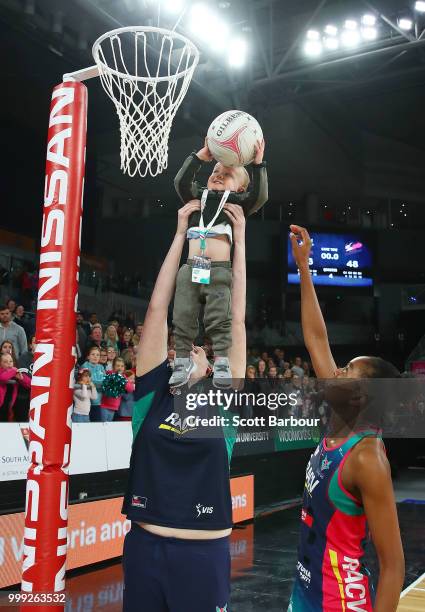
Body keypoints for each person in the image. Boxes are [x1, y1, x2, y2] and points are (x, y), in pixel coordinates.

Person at [122, 202, 247, 612]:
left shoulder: (222, 402)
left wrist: (240, 242)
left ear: (212, 366)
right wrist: (179, 235)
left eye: (202, 351)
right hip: (144, 550)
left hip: (202, 557)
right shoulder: (153, 395)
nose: (192, 350)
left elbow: (236, 320)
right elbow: (157, 311)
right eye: (185, 348)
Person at [287, 225, 405, 612]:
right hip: (306, 594)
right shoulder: (342, 417)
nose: (335, 372)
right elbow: (316, 340)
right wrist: (304, 266)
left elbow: (392, 566)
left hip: (340, 602)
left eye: (346, 370)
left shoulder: (367, 458)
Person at [169, 137, 266, 388]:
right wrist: (200, 157)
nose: (219, 175)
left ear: (241, 189)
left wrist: (258, 165)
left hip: (219, 271)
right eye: (215, 171)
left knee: (219, 317)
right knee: (182, 314)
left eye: (228, 174)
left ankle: (222, 362)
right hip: (191, 267)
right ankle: (181, 362)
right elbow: (180, 182)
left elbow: (260, 195)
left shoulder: (237, 205)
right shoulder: (199, 197)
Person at [0, 352, 31, 422]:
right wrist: (14, 370)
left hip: (9, 407)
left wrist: (22, 378)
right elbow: (3, 378)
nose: (9, 363)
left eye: (11, 361)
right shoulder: (11, 371)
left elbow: (29, 384)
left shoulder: (15, 373)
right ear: (0, 364)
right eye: (5, 362)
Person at [100, 357, 130, 422]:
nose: (120, 368)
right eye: (118, 366)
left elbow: (130, 388)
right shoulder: (109, 374)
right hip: (104, 406)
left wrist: (122, 380)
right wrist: (118, 378)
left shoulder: (124, 377)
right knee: (103, 426)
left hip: (114, 407)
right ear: (113, 366)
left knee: (109, 426)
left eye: (122, 366)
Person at [81, 346, 106, 421]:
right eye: (93, 354)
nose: (95, 356)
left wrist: (95, 384)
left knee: (97, 425)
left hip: (98, 402)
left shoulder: (101, 367)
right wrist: (100, 384)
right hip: (87, 403)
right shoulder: (84, 366)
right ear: (88, 356)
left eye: (97, 355)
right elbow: (87, 383)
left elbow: (105, 382)